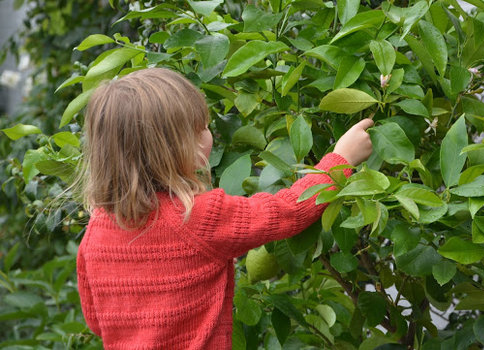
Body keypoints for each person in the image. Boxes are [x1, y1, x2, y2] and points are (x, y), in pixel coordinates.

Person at [76, 67, 374, 349]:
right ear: (179, 146)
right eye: (202, 128)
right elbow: (287, 211)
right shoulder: (197, 217)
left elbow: (97, 321)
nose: (210, 135)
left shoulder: (96, 233)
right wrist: (341, 159)